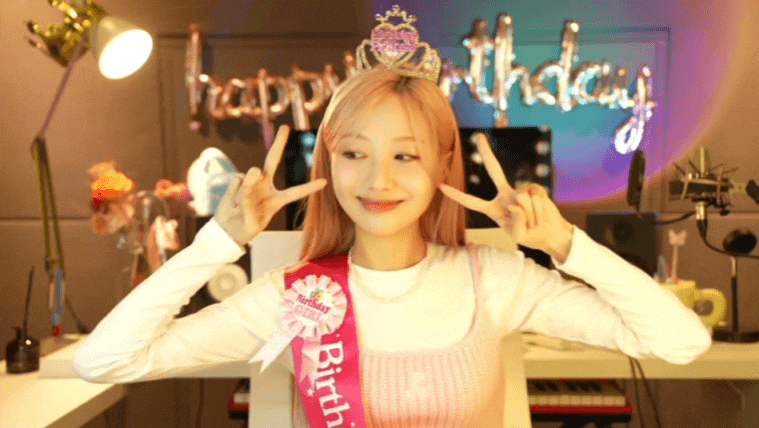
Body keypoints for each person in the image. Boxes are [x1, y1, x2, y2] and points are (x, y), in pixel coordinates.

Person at [73, 10, 712, 428]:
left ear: (441, 166)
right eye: (354, 154)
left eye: (406, 156)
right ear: (329, 163)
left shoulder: (497, 280)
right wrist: (219, 240)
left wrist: (566, 244)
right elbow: (104, 361)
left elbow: (681, 342)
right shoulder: (294, 298)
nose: (378, 180)